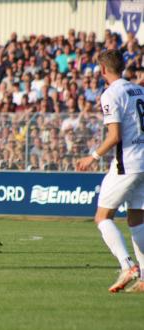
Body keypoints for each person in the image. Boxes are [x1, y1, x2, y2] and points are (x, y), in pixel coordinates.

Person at [77, 50, 144, 293]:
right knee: (137, 218)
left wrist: (91, 157)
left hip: (127, 164)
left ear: (103, 70)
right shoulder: (140, 90)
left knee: (102, 217)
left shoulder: (111, 94)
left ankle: (127, 266)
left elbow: (114, 136)